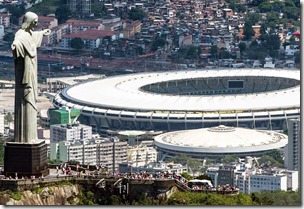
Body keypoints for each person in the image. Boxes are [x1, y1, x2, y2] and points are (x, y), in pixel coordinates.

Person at [11, 12, 51, 143]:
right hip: (25, 74)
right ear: (29, 21)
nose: (36, 24)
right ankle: (25, 138)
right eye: (34, 22)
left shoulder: (28, 34)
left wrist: (42, 33)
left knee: (32, 103)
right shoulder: (20, 35)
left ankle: (31, 137)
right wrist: (15, 46)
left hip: (32, 71)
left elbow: (32, 36)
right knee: (25, 103)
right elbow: (17, 41)